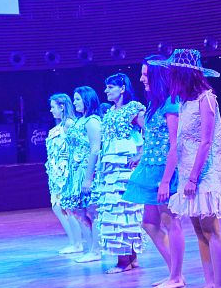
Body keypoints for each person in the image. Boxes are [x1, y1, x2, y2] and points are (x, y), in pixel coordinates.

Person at [160, 49, 221, 288]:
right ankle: (209, 283)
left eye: (173, 74)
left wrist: (193, 178)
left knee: (211, 228)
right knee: (199, 230)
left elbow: (206, 141)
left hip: (204, 173)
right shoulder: (184, 102)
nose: (169, 78)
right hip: (187, 172)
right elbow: (180, 143)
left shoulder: (206, 98)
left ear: (183, 74)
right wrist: (176, 178)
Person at [126, 57, 187, 288]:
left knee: (170, 221)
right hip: (150, 169)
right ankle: (174, 272)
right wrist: (142, 156)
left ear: (158, 77)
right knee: (149, 223)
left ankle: (176, 276)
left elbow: (174, 144)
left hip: (165, 171)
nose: (142, 78)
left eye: (146, 74)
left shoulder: (171, 103)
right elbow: (155, 139)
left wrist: (166, 181)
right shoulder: (155, 104)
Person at [94, 73, 146, 273]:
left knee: (125, 209)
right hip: (111, 166)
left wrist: (141, 153)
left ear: (122, 88)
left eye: (110, 87)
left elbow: (151, 131)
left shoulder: (133, 108)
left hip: (124, 166)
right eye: (106, 87)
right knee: (117, 209)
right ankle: (129, 258)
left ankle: (124, 261)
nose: (106, 91)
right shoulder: (109, 111)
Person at [66, 86, 103, 263]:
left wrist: (88, 178)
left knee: (92, 210)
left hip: (87, 171)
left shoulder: (92, 121)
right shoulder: (81, 120)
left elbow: (95, 149)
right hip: (76, 171)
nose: (74, 103)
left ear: (87, 100)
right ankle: (91, 248)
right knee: (79, 211)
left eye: (78, 99)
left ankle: (96, 250)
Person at [45, 93, 83, 254]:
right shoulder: (59, 126)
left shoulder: (69, 124)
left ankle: (78, 243)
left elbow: (77, 146)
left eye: (53, 107)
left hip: (66, 172)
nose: (51, 110)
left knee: (68, 207)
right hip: (56, 173)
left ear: (62, 107)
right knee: (57, 207)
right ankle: (74, 241)